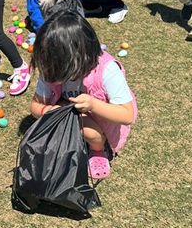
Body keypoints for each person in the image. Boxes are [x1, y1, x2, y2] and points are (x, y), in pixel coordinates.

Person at [29, 10, 137, 179]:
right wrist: (49, 111)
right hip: (71, 110)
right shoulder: (51, 67)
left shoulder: (107, 70)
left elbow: (127, 115)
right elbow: (35, 106)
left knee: (89, 132)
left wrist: (93, 105)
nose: (48, 70)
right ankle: (73, 138)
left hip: (104, 118)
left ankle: (98, 149)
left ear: (74, 58)